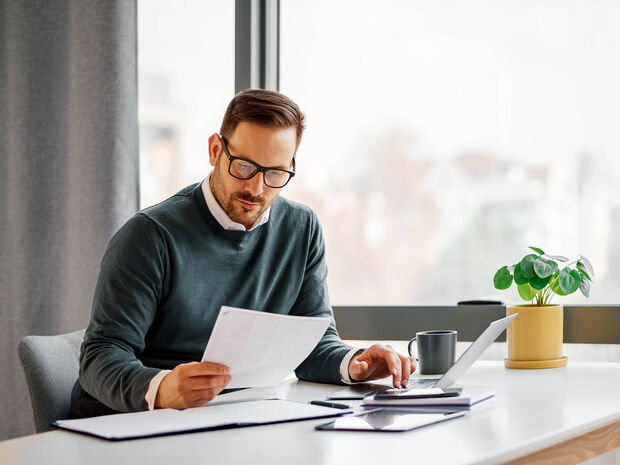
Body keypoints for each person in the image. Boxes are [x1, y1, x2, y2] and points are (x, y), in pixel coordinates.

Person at [71, 89, 416, 417]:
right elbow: (100, 358)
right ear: (214, 150)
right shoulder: (149, 236)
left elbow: (313, 344)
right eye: (245, 167)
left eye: (275, 173)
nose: (256, 188)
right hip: (132, 425)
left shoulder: (301, 228)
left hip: (234, 419)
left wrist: (356, 363)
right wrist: (161, 388)